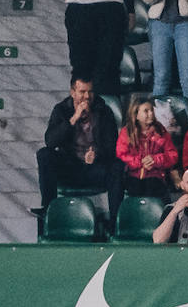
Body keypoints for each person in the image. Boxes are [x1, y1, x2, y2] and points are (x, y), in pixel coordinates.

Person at [36, 77, 123, 224]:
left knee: (117, 166)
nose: (87, 97)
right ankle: (48, 209)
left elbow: (112, 145)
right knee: (45, 154)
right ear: (73, 92)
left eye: (90, 92)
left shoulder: (103, 110)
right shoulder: (61, 109)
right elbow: (50, 141)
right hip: (70, 167)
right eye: (82, 92)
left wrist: (97, 154)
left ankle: (116, 220)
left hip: (95, 168)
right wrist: (73, 118)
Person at [116, 96, 180, 198]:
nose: (151, 114)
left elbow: (172, 155)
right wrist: (141, 162)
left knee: (154, 188)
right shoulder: (126, 132)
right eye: (146, 111)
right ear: (136, 114)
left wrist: (155, 160)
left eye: (151, 110)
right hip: (133, 176)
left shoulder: (160, 130)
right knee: (136, 190)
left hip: (156, 175)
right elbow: (121, 155)